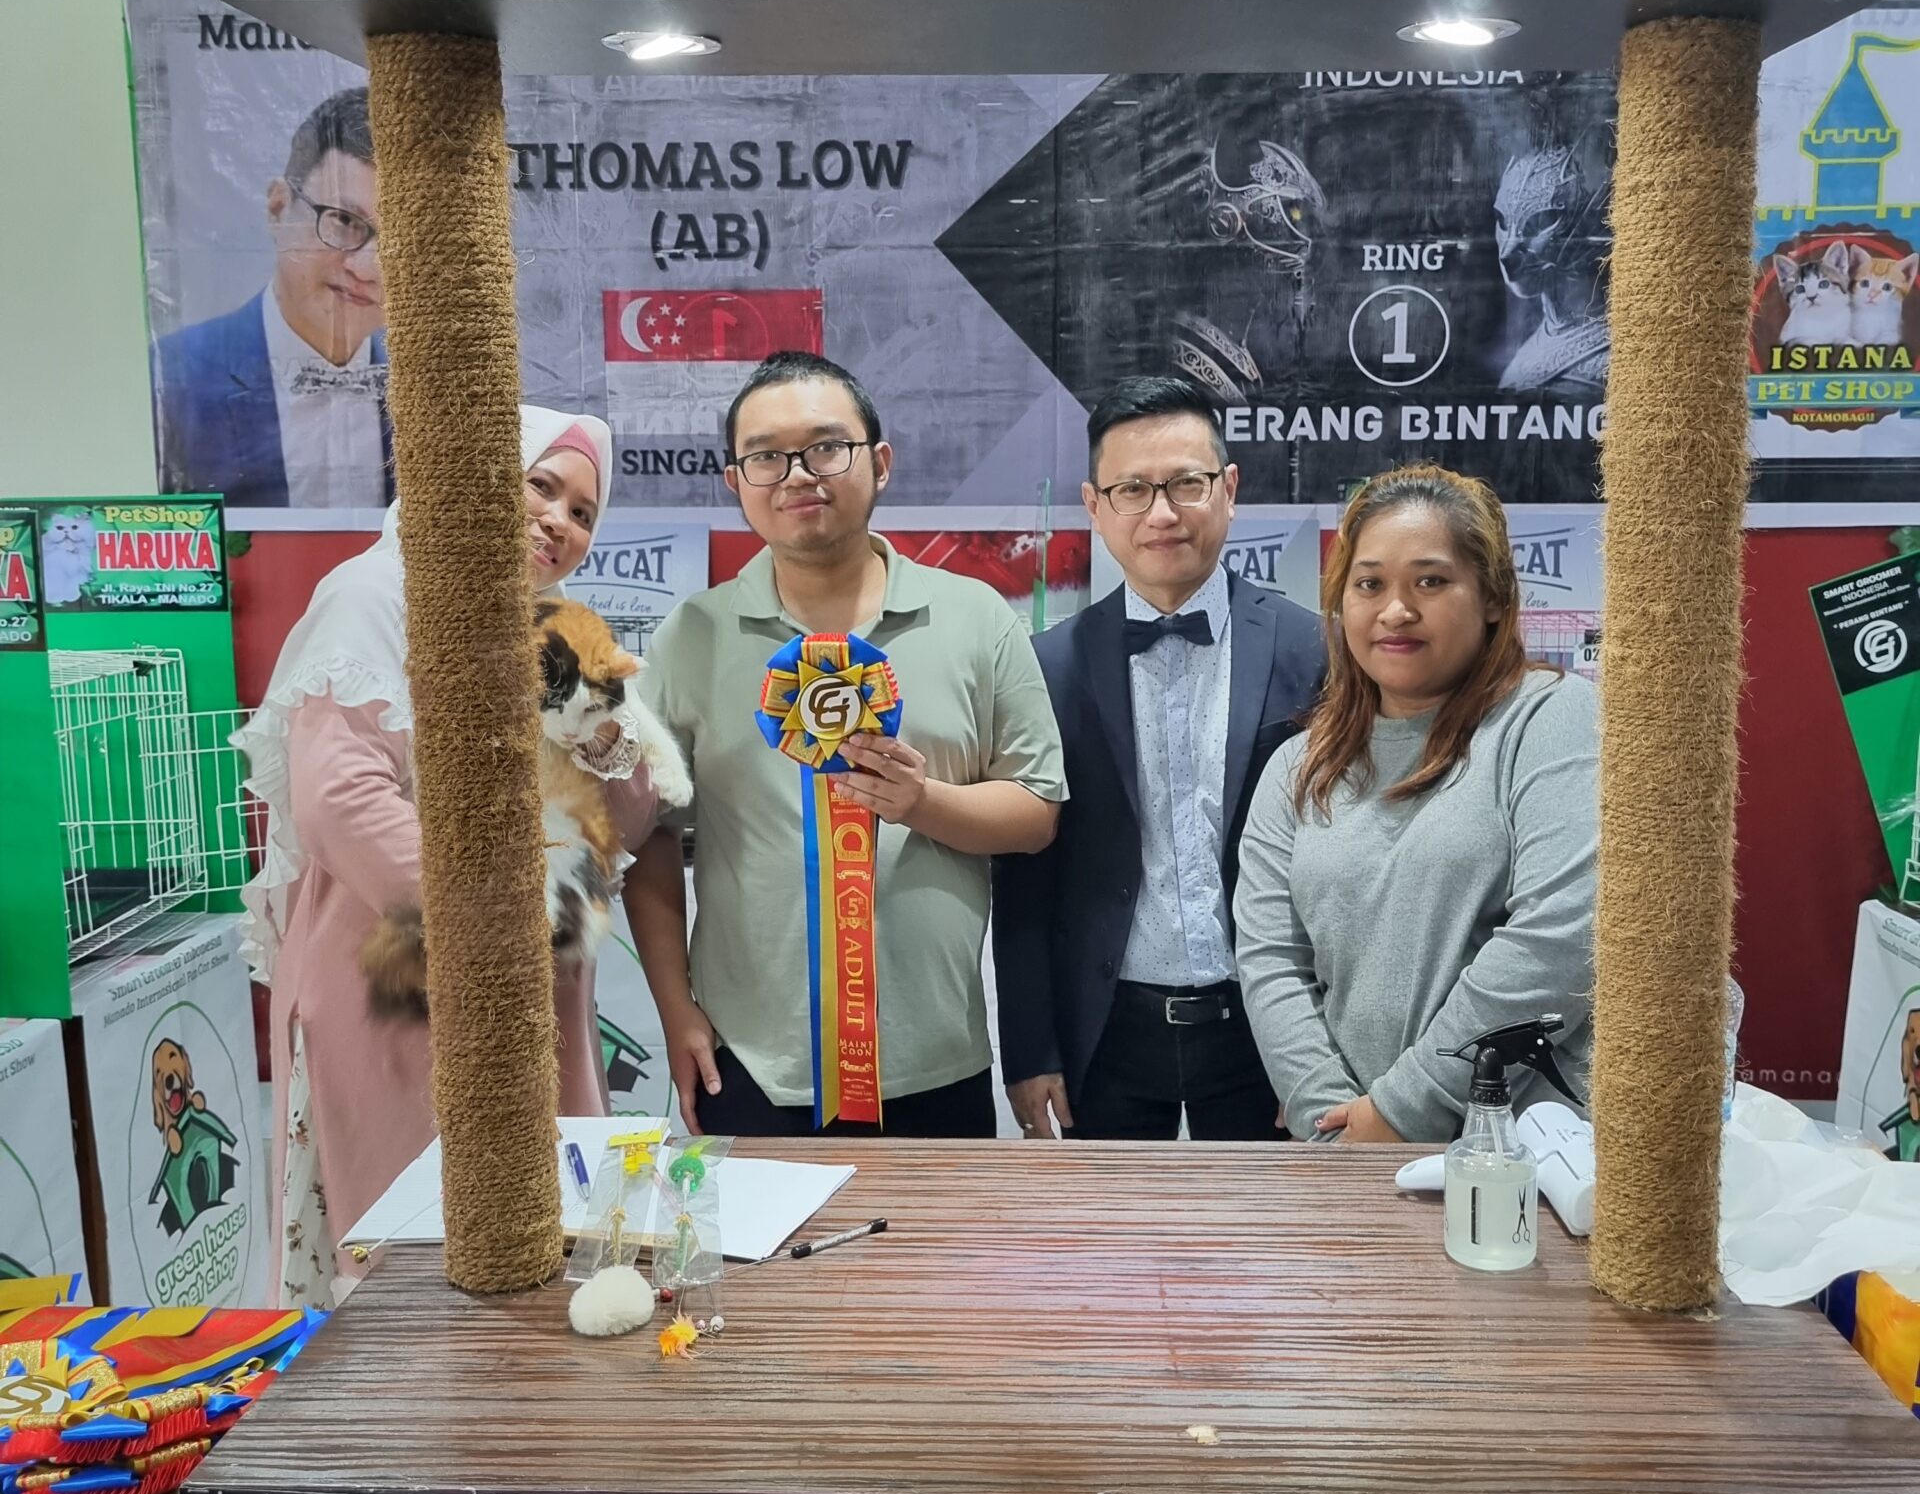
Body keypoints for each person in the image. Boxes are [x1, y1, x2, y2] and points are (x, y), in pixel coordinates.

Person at [237, 407, 660, 1299]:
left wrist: (607, 735)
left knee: (534, 1248)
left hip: (531, 986)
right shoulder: (375, 596)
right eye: (541, 485)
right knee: (409, 1268)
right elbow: (340, 802)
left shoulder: (555, 629)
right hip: (394, 981)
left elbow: (629, 818)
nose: (560, 521)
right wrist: (510, 918)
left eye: (583, 511)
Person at [631, 352, 1065, 1138]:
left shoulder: (976, 618)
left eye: (827, 447)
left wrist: (923, 802)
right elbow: (647, 834)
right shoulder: (690, 637)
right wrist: (673, 1007)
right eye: (766, 456)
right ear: (736, 481)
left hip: (936, 1061)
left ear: (880, 462)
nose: (798, 474)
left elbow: (1037, 813)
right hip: (750, 1062)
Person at [991, 375, 1324, 1141]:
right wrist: (1031, 1050)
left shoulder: (1316, 650)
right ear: (1095, 505)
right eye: (1133, 489)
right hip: (1105, 1029)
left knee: (1268, 1221)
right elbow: (1025, 878)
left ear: (1229, 489)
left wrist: (1317, 1052)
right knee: (1107, 1223)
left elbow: (1348, 874)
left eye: (1186, 484)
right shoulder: (1048, 667)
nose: (1163, 513)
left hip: (1271, 1025)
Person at [1235, 463, 1597, 1145]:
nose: (1396, 610)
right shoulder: (1298, 766)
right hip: (1344, 1152)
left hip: (1517, 1156)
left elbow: (1560, 938)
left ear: (1493, 597)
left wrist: (1401, 1111)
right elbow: (1271, 958)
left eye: (1430, 581)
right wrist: (1331, 1120)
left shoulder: (1553, 717)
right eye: (1369, 584)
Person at [152, 87, 391, 510]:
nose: (367, 268)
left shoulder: (435, 398)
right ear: (278, 207)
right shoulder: (167, 379)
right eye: (343, 220)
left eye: (402, 240)